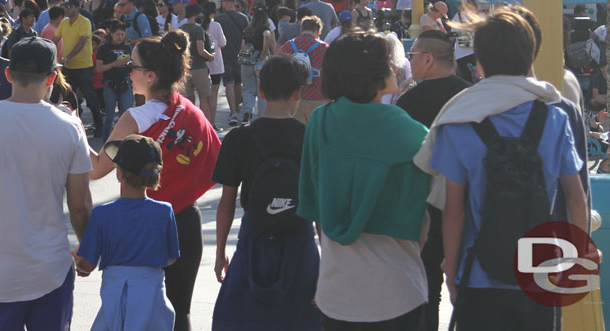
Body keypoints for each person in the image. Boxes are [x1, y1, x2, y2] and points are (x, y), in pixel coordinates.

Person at [416, 10, 587, 331]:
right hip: (541, 273)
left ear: (478, 61)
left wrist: (451, 272)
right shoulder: (554, 117)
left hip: (479, 275)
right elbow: (576, 199)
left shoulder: (460, 121)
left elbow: (454, 212)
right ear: (532, 54)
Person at [0, 37, 93, 330]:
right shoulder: (70, 126)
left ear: (9, 74)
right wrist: (87, 249)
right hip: (51, 270)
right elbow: (79, 204)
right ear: (52, 77)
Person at [298, 32, 432, 330]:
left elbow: (316, 208)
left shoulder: (319, 122)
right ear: (373, 75)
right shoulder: (412, 133)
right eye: (389, 63)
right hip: (397, 289)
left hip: (336, 289)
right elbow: (432, 209)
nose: (395, 68)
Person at [93, 30, 221, 331]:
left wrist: (71, 128)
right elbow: (216, 157)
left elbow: (98, 168)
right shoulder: (188, 107)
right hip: (187, 220)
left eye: (131, 66)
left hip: (144, 225)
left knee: (138, 312)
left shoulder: (135, 118)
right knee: (180, 312)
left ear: (150, 76)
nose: (129, 71)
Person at [211, 56, 321, 330]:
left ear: (260, 91)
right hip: (300, 240)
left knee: (245, 318)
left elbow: (225, 203)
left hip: (254, 239)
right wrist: (327, 267)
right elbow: (320, 208)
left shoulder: (239, 138)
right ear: (299, 92)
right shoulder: (311, 138)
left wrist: (220, 251)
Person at [394, 30, 470, 331]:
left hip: (421, 207)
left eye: (412, 55)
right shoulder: (471, 96)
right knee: (465, 291)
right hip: (467, 206)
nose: (409, 61)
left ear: (428, 59)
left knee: (425, 293)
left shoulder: (408, 103)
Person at [74, 135, 178, 330]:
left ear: (120, 174)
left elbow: (88, 264)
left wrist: (78, 262)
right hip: (152, 298)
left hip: (115, 297)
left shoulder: (102, 214)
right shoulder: (164, 211)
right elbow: (170, 258)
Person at [57, 0, 101, 132]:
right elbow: (54, 39)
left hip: (83, 67)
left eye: (69, 7)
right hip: (68, 68)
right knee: (66, 98)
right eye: (65, 7)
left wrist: (67, 57)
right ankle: (71, 125)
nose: (67, 10)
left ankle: (99, 126)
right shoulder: (64, 22)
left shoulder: (85, 22)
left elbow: (81, 43)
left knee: (90, 98)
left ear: (77, 8)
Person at [280, 17, 329, 125]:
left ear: (301, 29)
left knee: (299, 136)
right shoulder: (324, 48)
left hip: (294, 99)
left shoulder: (288, 46)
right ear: (318, 31)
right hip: (318, 98)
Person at [95, 21, 132, 141]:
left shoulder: (127, 48)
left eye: (122, 34)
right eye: (117, 34)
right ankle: (106, 142)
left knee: (127, 113)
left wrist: (128, 64)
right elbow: (99, 68)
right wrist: (114, 64)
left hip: (125, 82)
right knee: (110, 116)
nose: (120, 37)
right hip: (110, 83)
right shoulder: (104, 49)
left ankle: (127, 140)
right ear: (111, 34)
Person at [216, 0, 249, 125]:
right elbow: (246, 38)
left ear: (225, 3)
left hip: (225, 55)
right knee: (238, 82)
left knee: (228, 83)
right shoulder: (244, 18)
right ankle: (237, 108)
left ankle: (233, 112)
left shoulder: (219, 19)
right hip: (240, 55)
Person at [239, 7, 276, 121]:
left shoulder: (248, 29)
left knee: (248, 89)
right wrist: (265, 52)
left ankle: (247, 111)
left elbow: (243, 45)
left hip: (246, 62)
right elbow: (267, 35)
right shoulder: (265, 28)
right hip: (260, 62)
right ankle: (262, 116)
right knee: (262, 90)